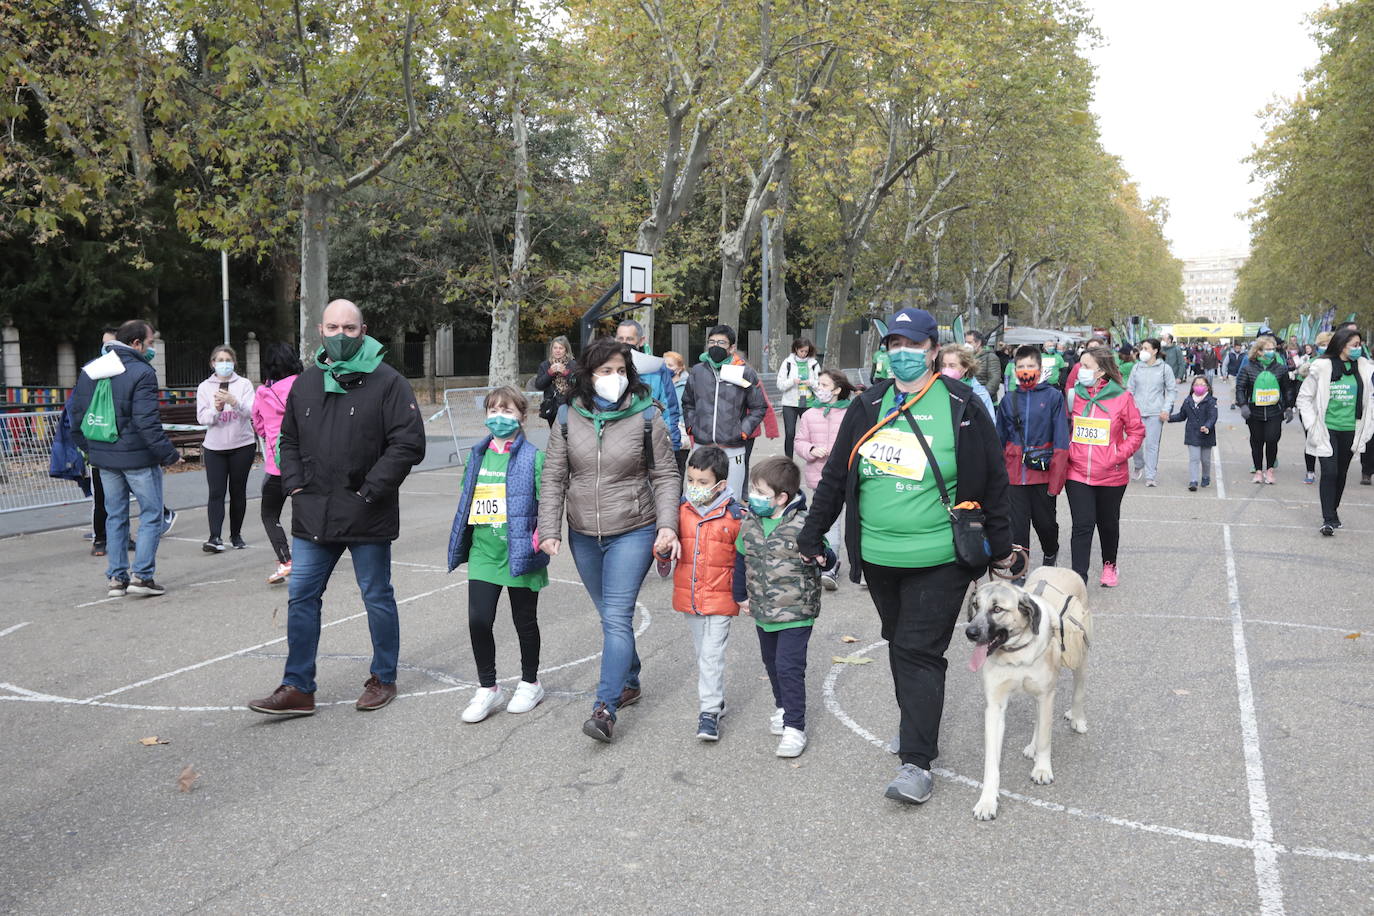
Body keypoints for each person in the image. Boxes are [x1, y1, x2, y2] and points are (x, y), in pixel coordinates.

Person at [798, 306, 1015, 806]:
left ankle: (916, 760)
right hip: (877, 557)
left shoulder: (962, 404)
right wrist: (812, 535)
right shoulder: (868, 405)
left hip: (941, 556)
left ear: (933, 351)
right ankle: (914, 724)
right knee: (899, 642)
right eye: (894, 345)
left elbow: (995, 481)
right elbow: (836, 477)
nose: (902, 354)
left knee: (918, 651)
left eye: (913, 345)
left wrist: (1002, 549)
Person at [248, 299, 427, 717]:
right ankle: (298, 687)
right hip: (313, 513)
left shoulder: (388, 381)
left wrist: (369, 491)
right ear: (319, 329)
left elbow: (408, 444)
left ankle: (383, 677)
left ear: (363, 330)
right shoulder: (306, 383)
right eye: (333, 327)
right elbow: (286, 439)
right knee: (302, 597)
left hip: (367, 511)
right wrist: (292, 484)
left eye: (349, 328)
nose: (341, 335)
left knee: (377, 596)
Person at [537, 336, 680, 743]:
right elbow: (553, 477)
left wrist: (667, 524)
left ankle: (605, 708)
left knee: (616, 618)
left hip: (634, 529)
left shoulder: (647, 416)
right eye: (605, 371)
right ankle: (629, 679)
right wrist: (549, 529)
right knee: (609, 618)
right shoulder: (567, 417)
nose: (613, 378)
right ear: (588, 374)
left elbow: (667, 475)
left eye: (620, 370)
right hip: (583, 534)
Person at [447, 387, 550, 723]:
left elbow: (546, 503)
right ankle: (488, 688)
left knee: (524, 622)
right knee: (479, 620)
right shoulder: (477, 455)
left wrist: (539, 539)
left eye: (507, 410)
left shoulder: (533, 456)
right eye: (493, 410)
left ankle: (530, 682)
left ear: (522, 415)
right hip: (484, 552)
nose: (499, 417)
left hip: (519, 552)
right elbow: (466, 498)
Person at [69, 320, 183, 598]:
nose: (152, 347)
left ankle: (116, 579)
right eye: (151, 342)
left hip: (104, 458)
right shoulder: (141, 371)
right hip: (138, 460)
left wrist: (90, 449)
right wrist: (169, 454)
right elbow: (147, 422)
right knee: (151, 515)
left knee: (115, 516)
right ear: (136, 344)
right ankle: (142, 577)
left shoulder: (92, 369)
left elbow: (76, 416)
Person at [734, 456, 835, 759]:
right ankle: (783, 707)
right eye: (753, 490)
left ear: (782, 497)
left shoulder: (804, 525)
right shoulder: (750, 523)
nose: (754, 497)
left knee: (789, 667)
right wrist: (740, 595)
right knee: (771, 662)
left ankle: (795, 727)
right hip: (763, 610)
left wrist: (821, 558)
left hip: (796, 611)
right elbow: (741, 560)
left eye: (761, 493)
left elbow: (828, 558)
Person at [671, 446, 746, 741]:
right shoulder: (680, 511)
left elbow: (746, 558)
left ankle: (709, 712)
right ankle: (718, 699)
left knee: (711, 656)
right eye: (691, 480)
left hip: (720, 597)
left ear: (720, 485)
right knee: (704, 653)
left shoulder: (736, 517)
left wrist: (745, 592)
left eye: (703, 483)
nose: (695, 488)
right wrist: (663, 551)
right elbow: (665, 551)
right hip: (689, 596)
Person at [1064, 345, 1145, 587]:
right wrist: (1068, 451)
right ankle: (1079, 577)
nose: (1081, 371)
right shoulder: (1073, 395)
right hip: (1077, 472)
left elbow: (1136, 432)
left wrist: (1116, 455)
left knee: (1107, 524)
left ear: (1101, 371)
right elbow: (1065, 426)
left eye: (1086, 367)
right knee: (1082, 524)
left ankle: (1109, 564)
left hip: (1111, 475)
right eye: (1080, 366)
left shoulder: (1122, 397)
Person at [996, 345, 1069, 573]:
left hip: (1042, 472)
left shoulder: (1053, 397)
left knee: (1045, 523)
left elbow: (1061, 440)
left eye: (1030, 366)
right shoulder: (1008, 399)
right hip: (1014, 474)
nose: (1025, 370)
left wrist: (1056, 481)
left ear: (1039, 368)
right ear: (1014, 369)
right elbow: (999, 439)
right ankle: (1019, 569)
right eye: (1020, 366)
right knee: (1017, 527)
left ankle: (1050, 550)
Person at [1297, 327, 1374, 535]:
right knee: (1329, 472)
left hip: (1352, 429)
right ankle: (1328, 519)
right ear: (1341, 345)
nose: (1359, 349)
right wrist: (1311, 424)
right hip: (1327, 428)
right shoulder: (1322, 367)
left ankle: (1333, 511)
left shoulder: (1365, 368)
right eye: (1355, 345)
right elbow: (1304, 398)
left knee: (1341, 474)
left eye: (1360, 345)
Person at [680, 325, 766, 498]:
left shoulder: (745, 373)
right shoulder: (697, 371)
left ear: (732, 347)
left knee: (729, 500)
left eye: (721, 342)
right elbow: (688, 403)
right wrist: (692, 427)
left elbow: (759, 406)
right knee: (697, 497)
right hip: (701, 445)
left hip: (733, 448)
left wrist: (743, 431)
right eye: (711, 342)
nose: (715, 346)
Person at [794, 368, 856, 590]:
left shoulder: (851, 412)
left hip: (851, 475)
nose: (819, 389)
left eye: (825, 385)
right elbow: (799, 441)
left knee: (859, 520)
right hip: (820, 476)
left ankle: (866, 564)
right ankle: (830, 564)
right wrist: (811, 449)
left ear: (838, 390)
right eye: (818, 385)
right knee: (830, 522)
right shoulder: (810, 414)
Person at [251, 342, 302, 583]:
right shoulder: (304, 386)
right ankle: (316, 556)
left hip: (277, 465)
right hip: (305, 461)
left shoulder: (263, 393)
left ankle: (285, 560)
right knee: (306, 510)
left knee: (270, 514)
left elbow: (258, 425)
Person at [196, 345, 257, 552]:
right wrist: (217, 409)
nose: (224, 364)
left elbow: (252, 412)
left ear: (234, 362)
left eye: (227, 360)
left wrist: (235, 402)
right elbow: (203, 418)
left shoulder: (244, 384)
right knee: (216, 492)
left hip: (242, 445)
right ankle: (214, 537)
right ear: (212, 363)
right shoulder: (205, 387)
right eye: (219, 360)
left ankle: (236, 535)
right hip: (214, 447)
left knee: (238, 491)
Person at [615, 319, 683, 455]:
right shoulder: (604, 367)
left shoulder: (656, 369)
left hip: (648, 443)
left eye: (629, 339)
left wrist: (672, 444)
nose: (624, 343)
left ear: (641, 341)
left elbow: (669, 409)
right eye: (620, 338)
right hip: (616, 443)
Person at [1235, 335, 1293, 484]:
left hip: (1274, 411)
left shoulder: (1281, 369)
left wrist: (1288, 407)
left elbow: (1287, 389)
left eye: (1273, 349)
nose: (1271, 352)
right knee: (1257, 441)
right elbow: (1240, 388)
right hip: (1254, 412)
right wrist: (1243, 405)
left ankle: (1270, 470)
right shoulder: (1248, 368)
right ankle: (1259, 471)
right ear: (1259, 351)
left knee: (1272, 439)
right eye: (1267, 349)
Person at [1126, 338, 1177, 488]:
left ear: (1155, 351)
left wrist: (1165, 409)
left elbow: (1172, 391)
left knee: (1152, 445)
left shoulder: (1164, 369)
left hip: (1156, 413)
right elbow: (1130, 389)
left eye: (1146, 348)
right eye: (1142, 348)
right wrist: (1128, 408)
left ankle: (1150, 476)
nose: (1143, 351)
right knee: (1135, 444)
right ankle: (1138, 464)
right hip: (1136, 412)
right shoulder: (1136, 368)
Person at [1169, 375, 1218, 491]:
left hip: (1207, 435)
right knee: (1194, 458)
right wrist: (1169, 418)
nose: (1199, 387)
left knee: (1205, 460)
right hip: (1192, 433)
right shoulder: (1188, 401)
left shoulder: (1211, 401)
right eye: (1196, 384)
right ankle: (1193, 481)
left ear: (1207, 387)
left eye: (1202, 385)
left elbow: (1213, 416)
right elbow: (1182, 416)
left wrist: (1207, 426)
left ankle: (1206, 476)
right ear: (1192, 387)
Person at [776, 338, 821, 459]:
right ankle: (788, 460)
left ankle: (812, 457)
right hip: (790, 404)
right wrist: (792, 381)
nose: (804, 353)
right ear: (796, 349)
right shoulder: (787, 363)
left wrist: (811, 382)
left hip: (809, 403)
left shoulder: (814, 363)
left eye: (806, 351)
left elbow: (820, 384)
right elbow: (780, 385)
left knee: (810, 433)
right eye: (801, 351)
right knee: (790, 433)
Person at [938, 343, 994, 417]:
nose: (946, 369)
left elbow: (989, 424)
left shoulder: (979, 393)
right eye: (943, 365)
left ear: (965, 367)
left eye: (952, 366)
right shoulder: (938, 387)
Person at [533, 336, 577, 427]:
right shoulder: (545, 365)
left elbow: (579, 383)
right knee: (554, 433)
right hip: (552, 405)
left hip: (569, 404)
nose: (558, 350)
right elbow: (539, 385)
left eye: (561, 348)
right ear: (551, 349)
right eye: (555, 348)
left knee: (569, 431)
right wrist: (550, 373)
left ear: (566, 350)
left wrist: (566, 373)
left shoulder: (573, 364)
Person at [664, 350, 691, 477]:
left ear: (679, 369)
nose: (666, 368)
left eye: (670, 365)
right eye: (664, 365)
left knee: (678, 467)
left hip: (680, 430)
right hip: (662, 429)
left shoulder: (688, 385)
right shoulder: (660, 383)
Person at [965, 330, 1002, 403]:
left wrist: (982, 397)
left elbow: (994, 381)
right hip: (970, 400)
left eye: (969, 342)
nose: (966, 345)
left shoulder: (990, 357)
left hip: (986, 401)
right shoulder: (967, 357)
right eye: (965, 342)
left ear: (978, 343)